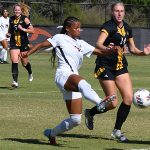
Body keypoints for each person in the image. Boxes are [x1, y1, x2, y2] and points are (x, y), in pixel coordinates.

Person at [21, 16, 118, 145]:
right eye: (76, 28)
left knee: (75, 120)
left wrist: (110, 50)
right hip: (63, 75)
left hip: (72, 80)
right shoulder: (60, 38)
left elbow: (100, 52)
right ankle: (100, 102)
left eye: (80, 27)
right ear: (67, 28)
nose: (79, 30)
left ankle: (51, 133)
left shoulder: (81, 43)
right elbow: (40, 45)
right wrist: (28, 53)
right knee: (83, 83)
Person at [84, 1, 150, 143]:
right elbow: (98, 44)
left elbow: (132, 49)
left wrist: (143, 53)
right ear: (112, 12)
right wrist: (109, 49)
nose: (119, 13)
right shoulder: (108, 27)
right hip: (105, 66)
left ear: (124, 13)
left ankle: (117, 131)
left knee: (128, 99)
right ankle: (90, 112)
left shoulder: (127, 28)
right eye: (116, 11)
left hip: (120, 66)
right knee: (112, 103)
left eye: (122, 11)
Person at [7, 3, 34, 88]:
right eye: (15, 10)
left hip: (23, 43)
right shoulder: (11, 19)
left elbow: (32, 30)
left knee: (24, 63)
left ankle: (30, 73)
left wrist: (23, 29)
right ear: (13, 11)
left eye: (18, 10)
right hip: (13, 42)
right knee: (14, 60)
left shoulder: (25, 19)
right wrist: (8, 33)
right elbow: (11, 30)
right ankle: (15, 82)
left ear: (21, 11)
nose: (17, 11)